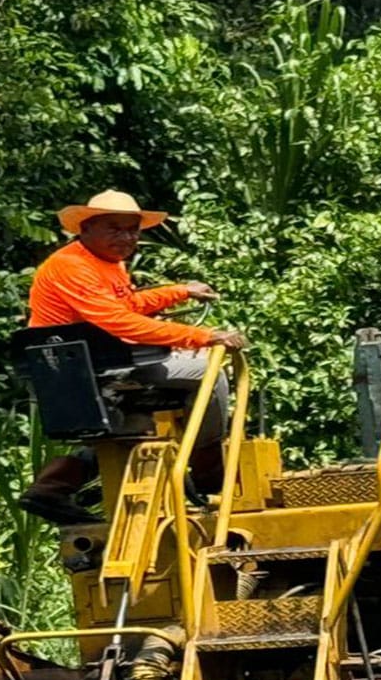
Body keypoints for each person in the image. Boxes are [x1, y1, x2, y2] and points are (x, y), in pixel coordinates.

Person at [19, 190, 248, 525]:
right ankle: (207, 472)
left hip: (98, 360)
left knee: (136, 426)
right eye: (114, 228)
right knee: (208, 373)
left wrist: (180, 291)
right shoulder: (71, 266)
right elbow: (118, 321)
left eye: (132, 230)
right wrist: (203, 336)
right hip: (84, 369)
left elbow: (126, 305)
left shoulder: (108, 263)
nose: (126, 238)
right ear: (85, 228)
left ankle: (51, 488)